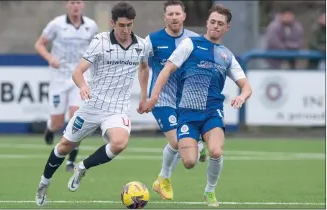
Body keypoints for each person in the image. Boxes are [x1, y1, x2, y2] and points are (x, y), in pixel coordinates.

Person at [35, 1, 149, 206]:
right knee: (64, 147)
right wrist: (82, 86)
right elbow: (77, 72)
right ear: (113, 23)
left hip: (118, 108)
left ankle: (82, 167)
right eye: (122, 25)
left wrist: (143, 96)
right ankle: (44, 183)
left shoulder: (141, 45)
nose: (126, 30)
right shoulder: (100, 41)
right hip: (92, 105)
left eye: (129, 25)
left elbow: (143, 68)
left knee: (119, 143)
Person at [141, 4, 252, 207]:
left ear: (227, 28)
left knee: (216, 152)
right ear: (206, 23)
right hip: (187, 113)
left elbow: (246, 86)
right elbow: (166, 70)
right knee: (189, 162)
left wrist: (242, 97)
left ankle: (210, 191)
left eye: (220, 24)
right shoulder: (190, 45)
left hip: (212, 112)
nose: (215, 27)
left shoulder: (226, 55)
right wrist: (154, 96)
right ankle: (192, 148)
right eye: (212, 22)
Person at [137, 0, 206, 201]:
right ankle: (164, 178)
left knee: (184, 145)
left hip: (187, 101)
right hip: (162, 100)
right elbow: (143, 68)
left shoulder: (195, 39)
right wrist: (144, 97)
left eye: (178, 13)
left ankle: (198, 145)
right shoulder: (152, 40)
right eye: (170, 14)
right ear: (165, 17)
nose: (174, 17)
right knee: (177, 141)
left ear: (184, 16)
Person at [34, 0, 98, 172]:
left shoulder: (91, 26)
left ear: (82, 4)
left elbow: (96, 49)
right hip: (59, 77)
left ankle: (70, 161)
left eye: (78, 2)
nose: (75, 5)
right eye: (72, 2)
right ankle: (50, 128)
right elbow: (39, 44)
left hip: (79, 77)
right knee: (57, 122)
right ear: (66, 5)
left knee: (75, 117)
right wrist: (50, 58)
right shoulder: (56, 24)